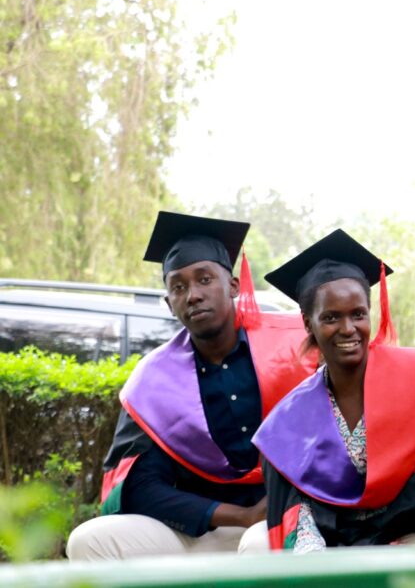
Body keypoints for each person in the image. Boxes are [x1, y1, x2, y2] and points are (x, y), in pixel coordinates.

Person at [66, 212, 318, 559]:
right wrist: (239, 516)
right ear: (170, 303)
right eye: (179, 286)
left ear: (233, 286)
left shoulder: (293, 347)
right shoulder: (155, 379)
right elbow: (140, 487)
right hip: (198, 529)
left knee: (260, 544)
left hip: (278, 520)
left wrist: (263, 516)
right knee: (89, 540)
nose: (193, 295)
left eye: (204, 279)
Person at [252, 229, 415, 551]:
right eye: (331, 317)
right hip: (336, 554)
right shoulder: (290, 420)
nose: (347, 329)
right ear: (307, 322)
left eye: (358, 314)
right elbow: (293, 511)